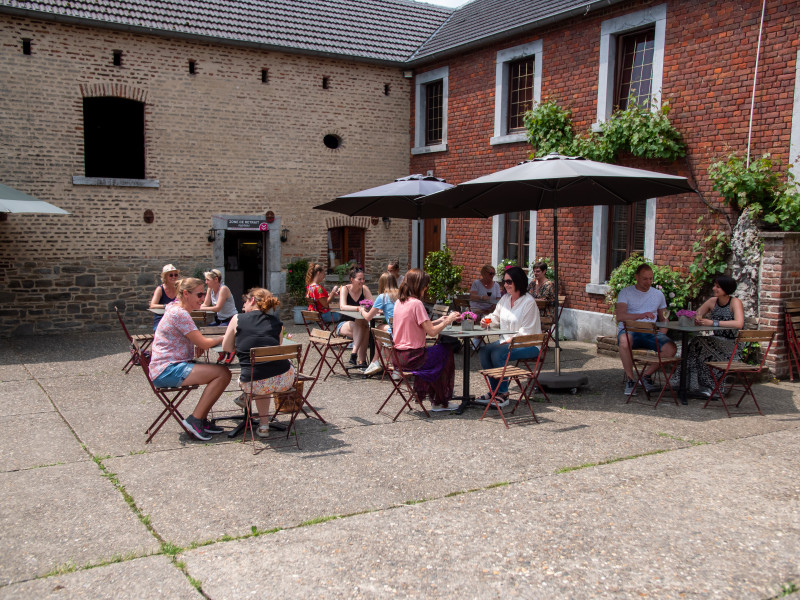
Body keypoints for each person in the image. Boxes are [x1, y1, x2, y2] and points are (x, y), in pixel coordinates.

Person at [149, 277, 232, 441]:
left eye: (203, 294)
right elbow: (205, 343)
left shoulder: (174, 307)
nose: (203, 299)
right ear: (186, 294)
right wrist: (226, 337)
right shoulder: (180, 313)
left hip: (166, 366)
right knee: (222, 373)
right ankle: (195, 420)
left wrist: (197, 343)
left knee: (223, 373)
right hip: (167, 370)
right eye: (199, 295)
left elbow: (192, 339)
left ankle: (200, 419)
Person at [222, 288, 293, 438]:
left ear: (252, 300)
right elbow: (276, 349)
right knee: (266, 370)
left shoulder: (237, 319)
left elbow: (226, 347)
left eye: (245, 301)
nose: (243, 306)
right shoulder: (277, 322)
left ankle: (246, 398)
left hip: (253, 383)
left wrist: (242, 346)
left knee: (256, 375)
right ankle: (263, 425)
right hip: (283, 381)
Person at [391, 269, 461, 410]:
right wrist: (449, 320)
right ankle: (440, 401)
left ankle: (437, 399)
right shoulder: (417, 304)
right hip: (414, 358)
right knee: (446, 351)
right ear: (418, 285)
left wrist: (438, 320)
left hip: (399, 357)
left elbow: (418, 325)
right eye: (425, 285)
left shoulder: (400, 302)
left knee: (439, 354)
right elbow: (432, 333)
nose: (426, 288)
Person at [477, 266, 542, 407]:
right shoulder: (505, 299)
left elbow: (527, 331)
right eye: (504, 282)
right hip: (506, 342)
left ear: (518, 282)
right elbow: (495, 317)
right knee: (483, 351)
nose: (505, 285)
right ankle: (494, 391)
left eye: (509, 282)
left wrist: (508, 341)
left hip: (528, 344)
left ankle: (503, 394)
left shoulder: (529, 302)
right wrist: (486, 321)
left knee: (498, 353)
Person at [671, 275, 745, 397]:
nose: (714, 288)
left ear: (726, 289)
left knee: (697, 343)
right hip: (715, 342)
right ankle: (694, 385)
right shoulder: (712, 301)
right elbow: (697, 314)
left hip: (732, 344)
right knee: (695, 346)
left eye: (718, 287)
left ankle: (697, 384)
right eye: (715, 286)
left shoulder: (735, 302)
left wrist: (713, 323)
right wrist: (695, 319)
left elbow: (739, 323)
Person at [615, 263, 677, 396]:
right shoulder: (626, 292)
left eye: (651, 278)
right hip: (630, 330)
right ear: (637, 277)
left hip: (650, 332)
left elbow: (664, 317)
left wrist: (663, 331)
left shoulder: (658, 294)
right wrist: (641, 315)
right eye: (645, 279)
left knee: (671, 348)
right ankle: (631, 380)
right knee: (625, 341)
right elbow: (620, 316)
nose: (649, 282)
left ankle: (645, 375)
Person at [361, 272, 399, 377]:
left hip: (393, 334)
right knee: (380, 329)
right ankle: (376, 361)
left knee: (378, 330)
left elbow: (368, 317)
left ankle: (375, 362)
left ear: (382, 283)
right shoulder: (402, 295)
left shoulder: (383, 297)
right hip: (403, 331)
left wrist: (361, 311)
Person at [336, 266, 373, 368]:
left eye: (363, 279)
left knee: (364, 326)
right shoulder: (345, 289)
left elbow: (373, 305)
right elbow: (342, 306)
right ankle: (361, 360)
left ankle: (356, 358)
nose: (362, 281)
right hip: (344, 324)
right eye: (359, 279)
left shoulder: (364, 289)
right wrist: (359, 308)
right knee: (361, 326)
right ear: (352, 279)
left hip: (360, 324)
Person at [149, 263, 180, 332]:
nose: (174, 277)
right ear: (165, 277)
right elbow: (152, 305)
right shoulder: (160, 289)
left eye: (176, 275)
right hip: (161, 319)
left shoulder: (179, 289)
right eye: (171, 275)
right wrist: (167, 306)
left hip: (175, 319)